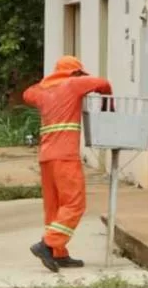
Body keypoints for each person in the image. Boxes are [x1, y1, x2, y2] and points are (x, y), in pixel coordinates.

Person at [22, 55, 112, 273]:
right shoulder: (73, 84)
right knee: (74, 204)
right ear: (75, 73)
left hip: (46, 157)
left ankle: (58, 253)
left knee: (54, 207)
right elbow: (103, 83)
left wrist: (48, 82)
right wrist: (107, 102)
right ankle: (48, 244)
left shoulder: (43, 91)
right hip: (65, 156)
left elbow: (27, 94)